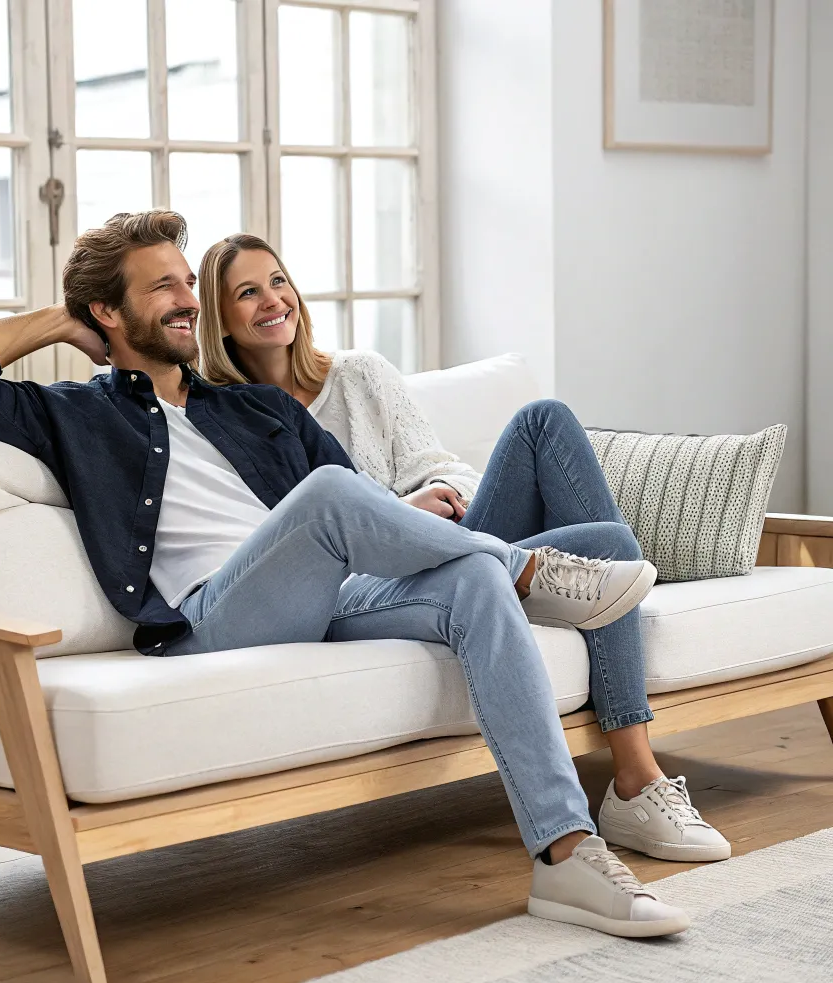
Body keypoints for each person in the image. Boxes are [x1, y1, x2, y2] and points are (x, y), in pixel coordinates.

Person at [0, 209, 688, 939]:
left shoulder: (256, 410)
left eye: (188, 283)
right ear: (110, 314)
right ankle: (527, 568)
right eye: (164, 288)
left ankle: (564, 856)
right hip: (209, 619)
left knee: (465, 581)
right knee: (337, 499)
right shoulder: (72, 412)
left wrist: (417, 522)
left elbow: (358, 512)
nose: (187, 301)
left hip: (325, 596)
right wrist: (61, 321)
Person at [197, 232, 731, 865]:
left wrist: (440, 492)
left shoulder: (360, 374)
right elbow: (293, 546)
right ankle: (634, 777)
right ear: (219, 318)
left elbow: (441, 465)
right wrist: (400, 514)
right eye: (247, 293)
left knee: (546, 424)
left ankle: (635, 784)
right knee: (607, 546)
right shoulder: (230, 420)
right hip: (376, 584)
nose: (272, 301)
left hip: (455, 542)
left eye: (278, 281)